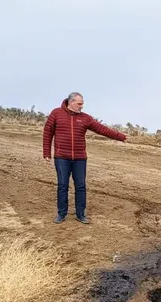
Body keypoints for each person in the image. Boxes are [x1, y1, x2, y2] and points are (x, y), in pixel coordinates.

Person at [42, 92, 128, 224]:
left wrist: (121, 136)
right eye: (79, 104)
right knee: (62, 186)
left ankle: (80, 214)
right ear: (71, 102)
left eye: (82, 104)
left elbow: (102, 129)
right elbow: (48, 133)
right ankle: (61, 214)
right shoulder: (56, 113)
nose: (82, 106)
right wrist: (47, 153)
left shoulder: (85, 118)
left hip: (80, 158)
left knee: (81, 186)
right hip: (62, 158)